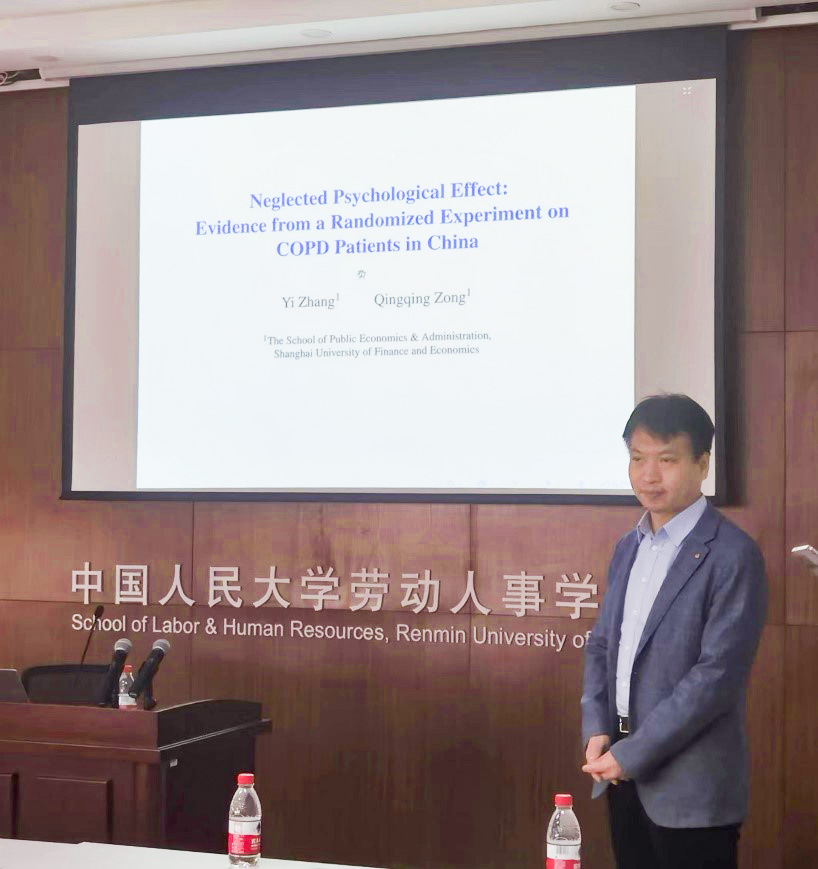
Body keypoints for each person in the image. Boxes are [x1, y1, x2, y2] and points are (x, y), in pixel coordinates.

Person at [580, 394, 767, 869]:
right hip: (620, 773)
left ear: (702, 463)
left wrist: (634, 754)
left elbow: (715, 679)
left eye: (666, 460)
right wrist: (597, 725)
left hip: (691, 790)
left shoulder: (732, 554)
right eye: (637, 458)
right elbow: (601, 644)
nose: (648, 475)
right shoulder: (629, 546)